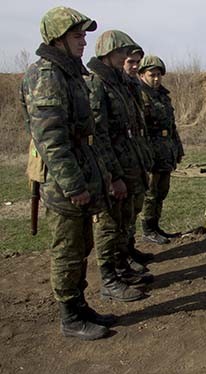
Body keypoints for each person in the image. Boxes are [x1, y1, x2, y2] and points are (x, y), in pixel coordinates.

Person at [21, 6, 114, 340]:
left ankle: (79, 304)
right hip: (64, 181)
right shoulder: (46, 75)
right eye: (77, 36)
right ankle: (69, 316)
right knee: (68, 248)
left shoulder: (69, 73)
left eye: (85, 35)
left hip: (80, 169)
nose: (84, 42)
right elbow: (52, 141)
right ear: (57, 40)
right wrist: (74, 185)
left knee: (81, 244)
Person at [86, 30, 153, 302]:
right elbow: (98, 136)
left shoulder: (118, 83)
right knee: (109, 223)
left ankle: (121, 266)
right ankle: (109, 278)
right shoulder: (98, 84)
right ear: (108, 54)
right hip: (111, 168)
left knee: (124, 220)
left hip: (128, 162)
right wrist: (112, 176)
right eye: (121, 53)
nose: (127, 58)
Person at [138, 55, 185, 244]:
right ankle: (147, 229)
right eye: (152, 75)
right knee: (150, 192)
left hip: (165, 150)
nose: (156, 79)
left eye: (159, 75)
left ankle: (156, 226)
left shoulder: (163, 96)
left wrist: (177, 148)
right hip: (149, 151)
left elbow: (171, 126)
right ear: (142, 75)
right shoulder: (139, 95)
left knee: (161, 190)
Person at [122, 46, 154, 268]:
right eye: (130, 62)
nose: (134, 67)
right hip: (122, 159)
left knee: (134, 207)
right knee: (120, 215)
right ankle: (120, 260)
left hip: (136, 156)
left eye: (136, 63)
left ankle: (129, 250)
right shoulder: (108, 87)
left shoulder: (131, 88)